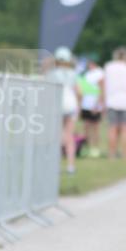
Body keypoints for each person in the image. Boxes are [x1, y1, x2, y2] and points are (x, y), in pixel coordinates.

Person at [49, 46, 80, 174]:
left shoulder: (52, 74)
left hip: (58, 105)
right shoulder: (73, 73)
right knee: (70, 136)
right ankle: (70, 165)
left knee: (58, 136)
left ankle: (56, 164)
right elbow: (78, 91)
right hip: (71, 104)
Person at [102, 46, 126, 159]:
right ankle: (125, 154)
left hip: (112, 101)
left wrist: (103, 101)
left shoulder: (109, 67)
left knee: (112, 128)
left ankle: (112, 154)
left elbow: (104, 85)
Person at [77, 56, 104, 157]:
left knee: (96, 128)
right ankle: (86, 148)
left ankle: (95, 149)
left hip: (95, 105)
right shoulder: (86, 74)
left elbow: (102, 89)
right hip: (85, 105)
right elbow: (82, 91)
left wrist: (98, 104)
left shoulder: (99, 73)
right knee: (86, 127)